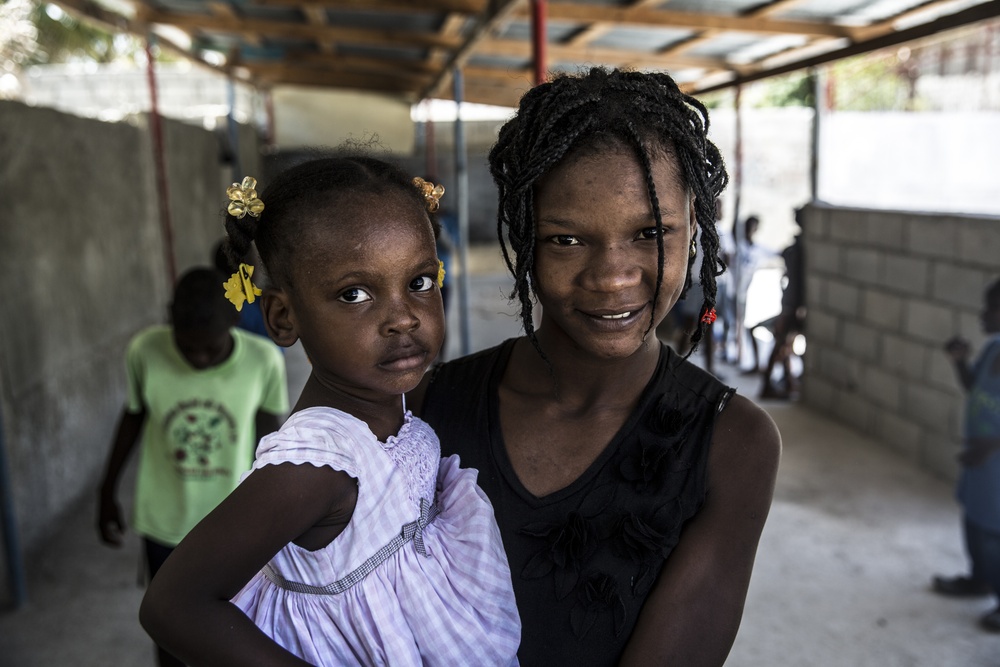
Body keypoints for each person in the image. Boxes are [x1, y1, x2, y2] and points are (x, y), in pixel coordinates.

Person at [413, 67, 781, 666]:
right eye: (566, 240)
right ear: (525, 235)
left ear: (695, 228)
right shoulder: (432, 406)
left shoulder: (734, 444)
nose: (613, 276)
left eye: (650, 232)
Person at [139, 161, 520, 666]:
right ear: (282, 316)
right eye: (354, 294)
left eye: (421, 282)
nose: (404, 316)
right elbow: (173, 606)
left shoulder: (390, 407)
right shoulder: (317, 462)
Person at [97, 266, 289, 667]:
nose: (198, 359)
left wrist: (278, 520)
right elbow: (132, 417)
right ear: (170, 319)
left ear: (234, 322)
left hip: (231, 523)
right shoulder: (144, 351)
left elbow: (270, 445)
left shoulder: (263, 361)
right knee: (168, 627)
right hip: (164, 521)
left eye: (210, 349)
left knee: (238, 627)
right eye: (187, 348)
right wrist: (106, 492)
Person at [932, 277, 1000, 632]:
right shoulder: (991, 349)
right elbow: (974, 387)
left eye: (992, 307)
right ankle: (979, 578)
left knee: (994, 530)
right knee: (974, 520)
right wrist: (960, 362)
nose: (983, 313)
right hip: (979, 461)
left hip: (994, 462)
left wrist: (990, 446)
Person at [759, 209, 807, 399]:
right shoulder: (799, 249)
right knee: (782, 343)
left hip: (790, 301)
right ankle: (768, 386)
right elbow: (797, 280)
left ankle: (788, 382)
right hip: (793, 304)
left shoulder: (794, 247)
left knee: (785, 343)